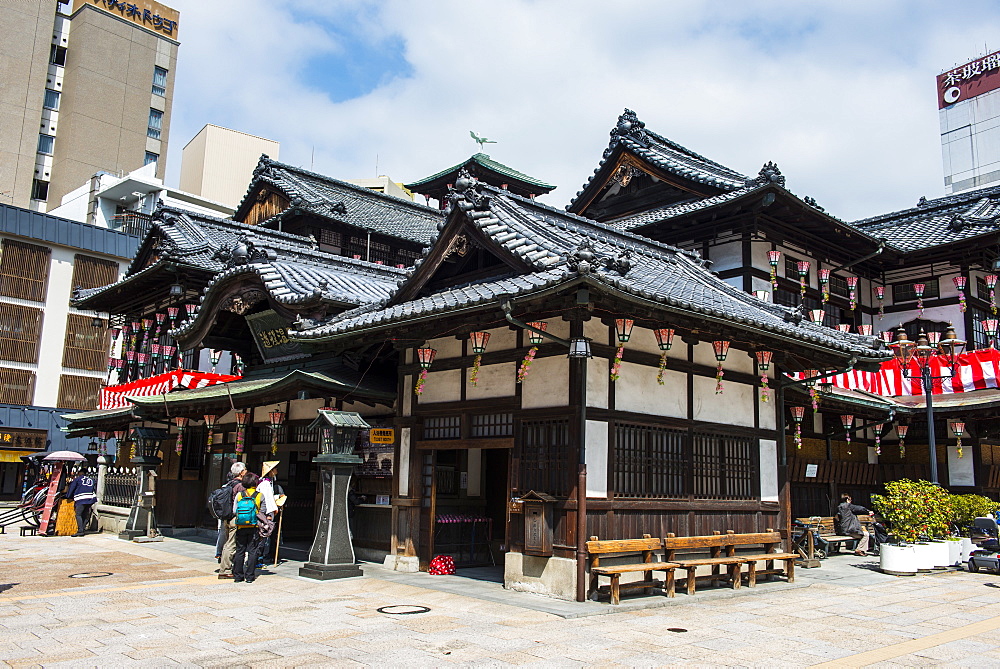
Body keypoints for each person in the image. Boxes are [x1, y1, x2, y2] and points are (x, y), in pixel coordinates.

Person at [232, 472, 266, 583]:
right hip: (254, 526)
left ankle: (238, 576)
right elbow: (263, 512)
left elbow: (234, 510)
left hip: (241, 526)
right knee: (252, 551)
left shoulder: (240, 495)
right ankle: (250, 576)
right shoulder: (259, 495)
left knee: (240, 550)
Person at [217, 462, 246, 580]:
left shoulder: (229, 483)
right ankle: (225, 569)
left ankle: (225, 566)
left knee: (227, 541)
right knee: (231, 543)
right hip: (234, 517)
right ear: (241, 472)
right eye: (245, 469)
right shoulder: (240, 486)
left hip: (226, 516)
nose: (246, 471)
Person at [256, 461, 280, 567]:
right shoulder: (265, 484)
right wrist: (271, 511)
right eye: (275, 469)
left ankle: (258, 558)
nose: (276, 471)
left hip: (263, 512)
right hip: (264, 513)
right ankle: (258, 559)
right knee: (262, 535)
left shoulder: (267, 482)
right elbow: (267, 499)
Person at [65, 469, 97, 537]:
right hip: (90, 499)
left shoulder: (77, 479)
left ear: (81, 473)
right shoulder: (91, 480)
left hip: (81, 498)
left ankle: (80, 530)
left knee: (78, 514)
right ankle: (83, 528)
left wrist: (68, 496)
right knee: (85, 514)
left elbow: (72, 488)